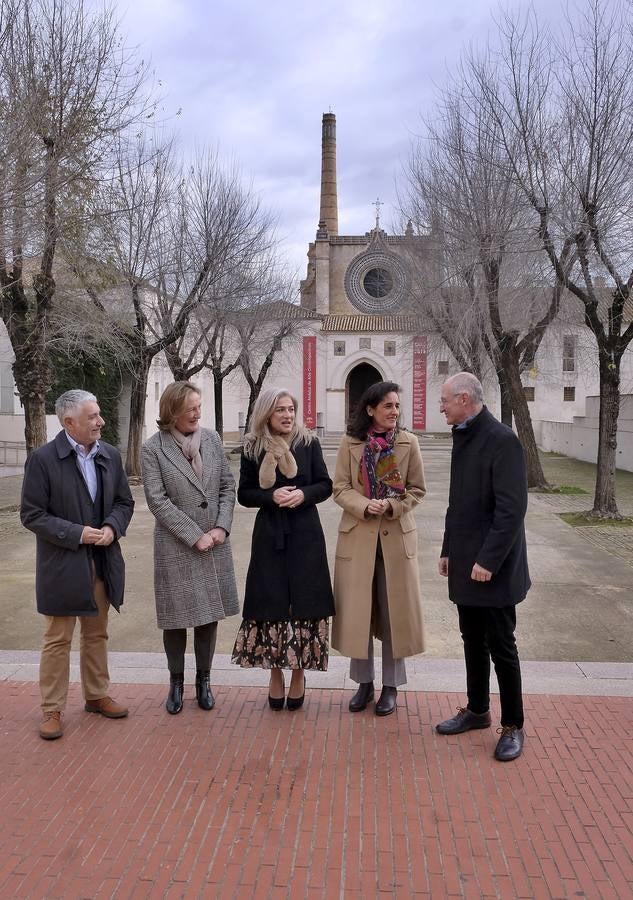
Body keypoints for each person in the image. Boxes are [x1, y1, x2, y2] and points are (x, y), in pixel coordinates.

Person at [20, 389, 134, 740]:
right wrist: (78, 533)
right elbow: (32, 514)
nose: (100, 422)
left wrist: (112, 527)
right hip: (63, 564)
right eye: (93, 417)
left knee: (97, 633)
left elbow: (123, 502)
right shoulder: (42, 459)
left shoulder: (111, 456)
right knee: (58, 638)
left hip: (102, 560)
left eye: (99, 414)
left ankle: (96, 695)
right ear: (69, 422)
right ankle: (51, 709)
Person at [436, 372, 530, 762]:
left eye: (444, 400)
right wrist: (447, 549)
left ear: (463, 399)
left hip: (494, 567)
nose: (440, 407)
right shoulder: (463, 435)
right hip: (464, 563)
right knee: (471, 641)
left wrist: (487, 561)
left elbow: (511, 510)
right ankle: (477, 711)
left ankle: (513, 725)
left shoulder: (502, 440)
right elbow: (457, 503)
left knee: (501, 646)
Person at [231, 388, 334, 710]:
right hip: (270, 534)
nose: (288, 415)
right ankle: (275, 673)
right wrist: (270, 497)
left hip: (305, 533)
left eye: (291, 409)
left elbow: (325, 484)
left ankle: (300, 674)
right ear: (266, 414)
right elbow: (245, 493)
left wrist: (303, 495)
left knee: (305, 603)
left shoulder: (308, 442)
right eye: (280, 410)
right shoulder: (252, 447)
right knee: (270, 601)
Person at [141, 381, 239, 714]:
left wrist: (221, 527)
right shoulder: (153, 448)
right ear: (172, 412)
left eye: (199, 406)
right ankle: (176, 682)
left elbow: (227, 486)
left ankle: (204, 681)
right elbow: (157, 500)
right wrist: (194, 533)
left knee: (208, 616)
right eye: (191, 408)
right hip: (176, 545)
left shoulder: (211, 439)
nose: (198, 413)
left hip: (214, 542)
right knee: (175, 618)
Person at [332, 381, 426, 717]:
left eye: (397, 406)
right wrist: (363, 504)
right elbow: (340, 488)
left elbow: (416, 490)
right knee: (359, 612)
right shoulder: (350, 443)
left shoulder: (408, 443)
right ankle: (363, 683)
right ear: (370, 409)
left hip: (395, 540)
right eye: (388, 406)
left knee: (393, 615)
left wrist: (392, 506)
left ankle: (390, 687)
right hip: (358, 537)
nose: (394, 412)